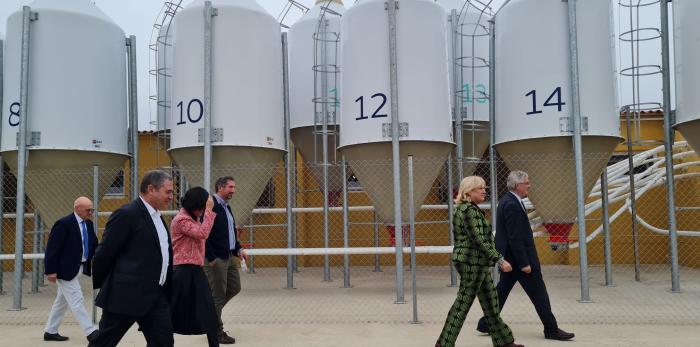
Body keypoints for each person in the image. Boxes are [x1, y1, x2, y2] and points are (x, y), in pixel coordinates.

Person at [476, 171, 574, 341]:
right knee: (539, 294)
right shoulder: (512, 204)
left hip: (510, 259)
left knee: (502, 291)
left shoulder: (509, 201)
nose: (529, 185)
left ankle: (485, 323)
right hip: (519, 260)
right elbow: (515, 237)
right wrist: (524, 263)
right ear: (517, 185)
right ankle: (551, 329)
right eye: (527, 183)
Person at [89, 170, 175, 347]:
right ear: (151, 189)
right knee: (104, 343)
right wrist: (112, 285)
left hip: (156, 296)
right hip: (126, 296)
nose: (171, 197)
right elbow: (104, 254)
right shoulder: (128, 214)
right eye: (168, 192)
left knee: (164, 343)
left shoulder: (158, 217)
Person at [436, 176, 523, 347]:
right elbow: (479, 240)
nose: (484, 191)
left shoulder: (469, 209)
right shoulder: (468, 210)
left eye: (484, 187)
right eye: (479, 188)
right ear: (468, 192)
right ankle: (444, 343)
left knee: (491, 303)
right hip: (471, 264)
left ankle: (504, 342)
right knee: (462, 304)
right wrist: (500, 259)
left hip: (478, 264)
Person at [43, 197, 99, 343]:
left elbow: (94, 244)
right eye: (88, 210)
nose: (91, 213)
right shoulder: (63, 224)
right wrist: (51, 271)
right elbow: (52, 249)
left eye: (92, 210)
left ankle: (50, 331)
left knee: (62, 301)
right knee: (77, 299)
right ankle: (91, 331)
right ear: (77, 208)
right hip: (65, 270)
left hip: (78, 267)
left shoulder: (88, 224)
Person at [170, 187, 219, 347]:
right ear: (194, 205)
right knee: (172, 312)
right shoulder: (181, 220)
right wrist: (210, 211)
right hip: (182, 270)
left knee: (209, 311)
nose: (203, 211)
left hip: (195, 270)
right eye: (202, 208)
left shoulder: (194, 219)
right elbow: (202, 233)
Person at [205, 176, 246, 344]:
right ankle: (216, 331)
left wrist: (238, 248)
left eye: (234, 187)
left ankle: (209, 315)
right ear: (220, 188)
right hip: (216, 259)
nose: (233, 191)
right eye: (230, 187)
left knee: (234, 287)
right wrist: (211, 256)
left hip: (229, 255)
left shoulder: (226, 207)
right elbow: (204, 233)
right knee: (218, 295)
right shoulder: (211, 205)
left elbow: (230, 232)